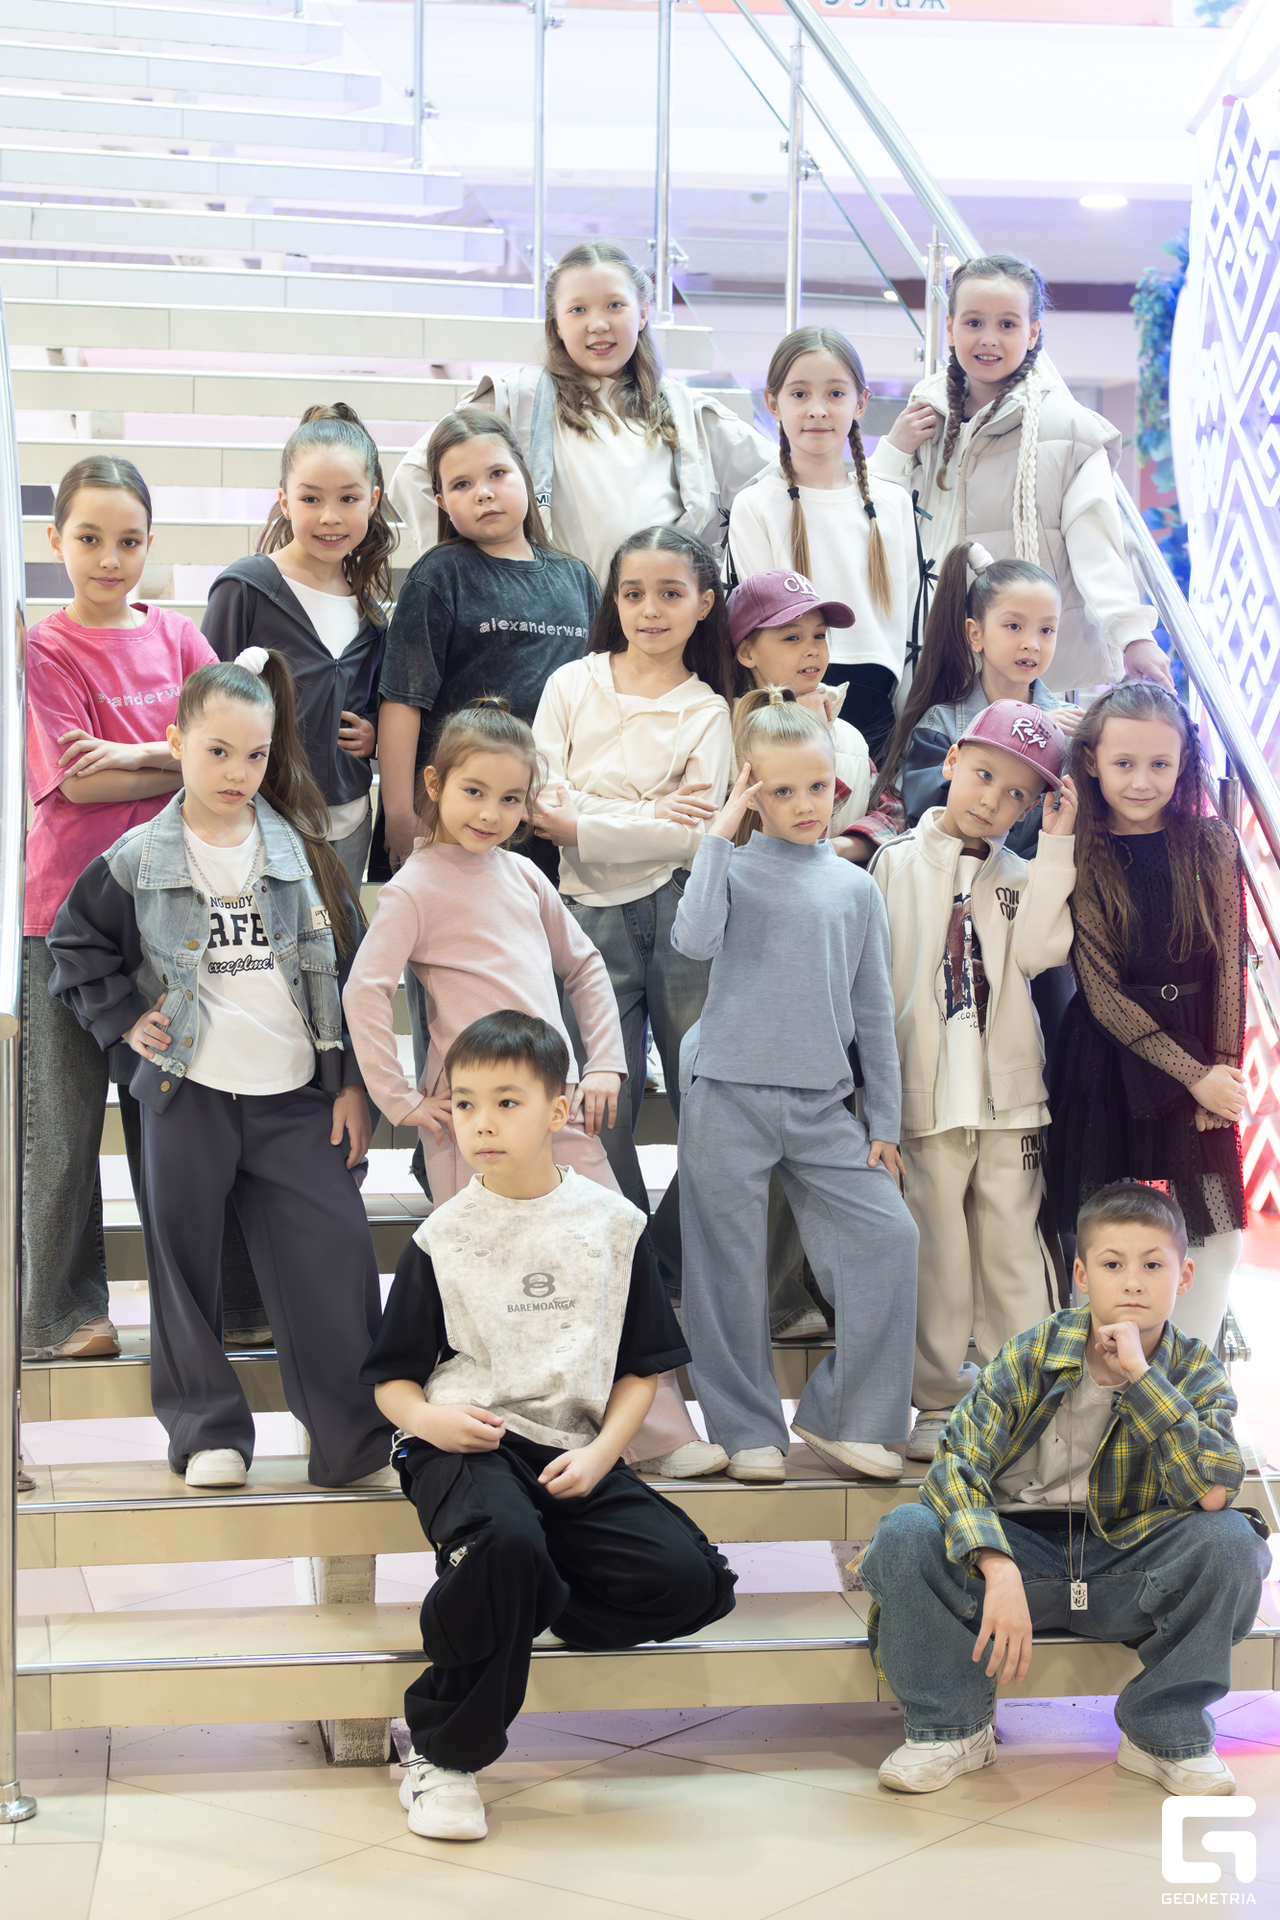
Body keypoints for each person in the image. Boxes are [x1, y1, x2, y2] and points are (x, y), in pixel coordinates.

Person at [362, 1010, 737, 1841]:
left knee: (692, 1582)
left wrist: (604, 1455)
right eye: (465, 1105)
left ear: (558, 1111)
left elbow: (642, 1369)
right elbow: (391, 1381)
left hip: (573, 1451)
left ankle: (523, 1592)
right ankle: (443, 1755)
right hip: (469, 1442)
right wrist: (429, 1420)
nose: (482, 1124)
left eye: (506, 1103)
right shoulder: (442, 1237)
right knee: (504, 1546)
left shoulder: (614, 1226)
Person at [342, 696, 723, 1479]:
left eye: (511, 798)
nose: (491, 813)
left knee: (610, 1254)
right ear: (433, 784)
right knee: (494, 1285)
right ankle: (517, 1434)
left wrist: (606, 1063)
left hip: (556, 1110)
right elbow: (364, 990)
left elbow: (584, 965)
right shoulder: (414, 887)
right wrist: (400, 1101)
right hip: (473, 1124)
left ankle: (657, 1433)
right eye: (474, 791)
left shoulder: (523, 875)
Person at [45, 652, 391, 1490]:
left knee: (337, 1261)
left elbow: (350, 976)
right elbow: (74, 944)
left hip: (296, 1097)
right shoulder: (137, 858)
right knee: (182, 1266)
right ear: (176, 745)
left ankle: (353, 1442)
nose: (238, 772)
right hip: (186, 1093)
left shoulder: (305, 855)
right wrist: (124, 1022)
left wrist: (351, 1082)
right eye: (217, 752)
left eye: (255, 754)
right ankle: (208, 1434)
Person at [861, 1180, 1270, 1798]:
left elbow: (1212, 1492)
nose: (1133, 1283)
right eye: (1112, 1265)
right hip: (1019, 1557)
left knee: (1232, 1541)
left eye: (1153, 1266)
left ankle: (1165, 1734)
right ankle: (951, 1729)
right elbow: (956, 1464)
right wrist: (996, 1562)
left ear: (1183, 1277)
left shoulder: (1194, 1369)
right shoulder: (1034, 1352)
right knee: (905, 1531)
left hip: (1126, 1565)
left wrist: (1142, 1379)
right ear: (1081, 1275)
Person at [674, 689, 919, 1485]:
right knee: (726, 1270)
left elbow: (873, 1013)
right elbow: (692, 939)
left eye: (818, 786)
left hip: (821, 1106)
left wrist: (884, 1122)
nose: (806, 804)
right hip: (726, 1096)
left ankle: (849, 1416)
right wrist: (719, 834)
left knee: (889, 1237)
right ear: (750, 791)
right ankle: (746, 1430)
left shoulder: (855, 888)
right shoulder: (730, 870)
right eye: (781, 790)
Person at [21, 454, 215, 1363]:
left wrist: (135, 753)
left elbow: (236, 741)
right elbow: (76, 784)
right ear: (54, 539)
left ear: (150, 544)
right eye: (90, 538)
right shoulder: (43, 649)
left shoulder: (178, 639)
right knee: (61, 1131)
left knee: (175, 1125)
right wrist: (181, 760)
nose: (110, 558)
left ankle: (204, 1309)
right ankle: (63, 1314)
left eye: (129, 541)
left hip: (171, 912)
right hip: (63, 917)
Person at [531, 524, 735, 1301]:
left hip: (684, 914)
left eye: (670, 594)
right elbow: (544, 805)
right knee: (595, 1105)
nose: (650, 610)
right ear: (613, 601)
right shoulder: (570, 685)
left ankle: (673, 1260)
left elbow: (695, 836)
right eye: (633, 593)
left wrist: (589, 815)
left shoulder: (708, 711)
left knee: (709, 1105)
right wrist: (646, 811)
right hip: (585, 916)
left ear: (703, 604)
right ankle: (625, 1262)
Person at [871, 700, 1077, 1463]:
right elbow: (875, 985)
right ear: (953, 760)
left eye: (1017, 793)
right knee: (938, 1260)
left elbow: (1043, 953)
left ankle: (1026, 1405)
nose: (993, 800)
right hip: (925, 1101)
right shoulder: (894, 864)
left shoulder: (1023, 876)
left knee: (1015, 1254)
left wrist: (1057, 844)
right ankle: (936, 1402)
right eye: (984, 775)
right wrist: (878, 1105)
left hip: (1010, 1101)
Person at [869, 253, 1174, 696]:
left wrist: (1134, 636)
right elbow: (877, 524)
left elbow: (1097, 544)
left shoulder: (1067, 429)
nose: (988, 339)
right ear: (950, 327)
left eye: (1008, 324)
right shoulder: (925, 416)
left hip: (1028, 669)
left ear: (1032, 333)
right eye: (973, 322)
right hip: (934, 653)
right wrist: (893, 451)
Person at [1046, 683, 1247, 1351]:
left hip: (1198, 1052)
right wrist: (1195, 1076)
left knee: (1217, 1233)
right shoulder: (1085, 847)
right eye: (1124, 763)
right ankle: (1102, 1389)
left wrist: (1221, 1072)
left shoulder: (1211, 842)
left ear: (1184, 762)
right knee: (1106, 1234)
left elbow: (1229, 967)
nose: (1141, 781)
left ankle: (1189, 1387)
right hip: (1109, 1057)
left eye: (1160, 763)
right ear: (1092, 761)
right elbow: (1101, 991)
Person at [390, 240, 772, 583]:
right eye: (577, 309)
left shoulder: (688, 411)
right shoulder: (516, 397)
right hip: (549, 620)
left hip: (659, 623)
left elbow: (775, 477)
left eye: (615, 305)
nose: (598, 324)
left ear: (643, 313)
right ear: (556, 324)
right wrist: (477, 580)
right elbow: (414, 476)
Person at [377, 408, 598, 884]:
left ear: (525, 476)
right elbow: (402, 701)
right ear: (441, 502)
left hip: (553, 814)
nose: (483, 492)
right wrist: (399, 815)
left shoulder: (576, 578)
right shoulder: (440, 575)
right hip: (457, 818)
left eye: (498, 473)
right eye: (462, 484)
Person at [202, 402, 395, 894]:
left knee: (339, 943)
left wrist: (374, 735)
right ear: (285, 502)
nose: (330, 516)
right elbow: (203, 705)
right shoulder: (245, 587)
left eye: (348, 498)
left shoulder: (371, 614)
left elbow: (375, 701)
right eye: (311, 498)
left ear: (372, 500)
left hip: (349, 823)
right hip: (262, 818)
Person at [725, 327, 916, 758]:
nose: (817, 410)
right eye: (799, 394)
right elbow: (762, 633)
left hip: (881, 714)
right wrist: (788, 711)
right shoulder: (755, 505)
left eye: (835, 394)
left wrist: (909, 724)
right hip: (793, 710)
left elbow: (910, 630)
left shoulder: (893, 503)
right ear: (773, 403)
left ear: (860, 402)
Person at [875, 539, 1075, 861]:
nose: (1032, 643)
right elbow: (928, 817)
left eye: (1047, 630)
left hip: (1039, 882)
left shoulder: (1073, 728)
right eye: (1014, 626)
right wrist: (1021, 731)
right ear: (975, 633)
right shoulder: (940, 723)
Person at [727, 568, 872, 843]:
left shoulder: (850, 736)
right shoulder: (725, 734)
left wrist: (841, 849)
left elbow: (891, 813)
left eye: (820, 635)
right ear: (746, 652)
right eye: (792, 638)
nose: (812, 650)